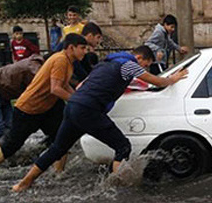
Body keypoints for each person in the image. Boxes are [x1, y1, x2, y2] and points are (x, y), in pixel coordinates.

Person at [11, 46, 188, 192]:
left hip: (73, 106)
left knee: (57, 149)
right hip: (89, 110)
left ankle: (23, 183)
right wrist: (173, 79)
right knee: (123, 146)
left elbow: (81, 85)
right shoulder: (129, 64)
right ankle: (117, 188)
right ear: (139, 57)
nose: (145, 68)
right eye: (146, 64)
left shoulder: (105, 64)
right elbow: (155, 81)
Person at [0, 34, 88, 182]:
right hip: (28, 109)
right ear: (71, 47)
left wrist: (78, 99)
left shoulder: (66, 61)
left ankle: (58, 175)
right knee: (11, 145)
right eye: (83, 48)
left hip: (44, 109)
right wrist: (77, 101)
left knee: (61, 139)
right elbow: (55, 89)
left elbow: (64, 84)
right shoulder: (60, 60)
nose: (85, 52)